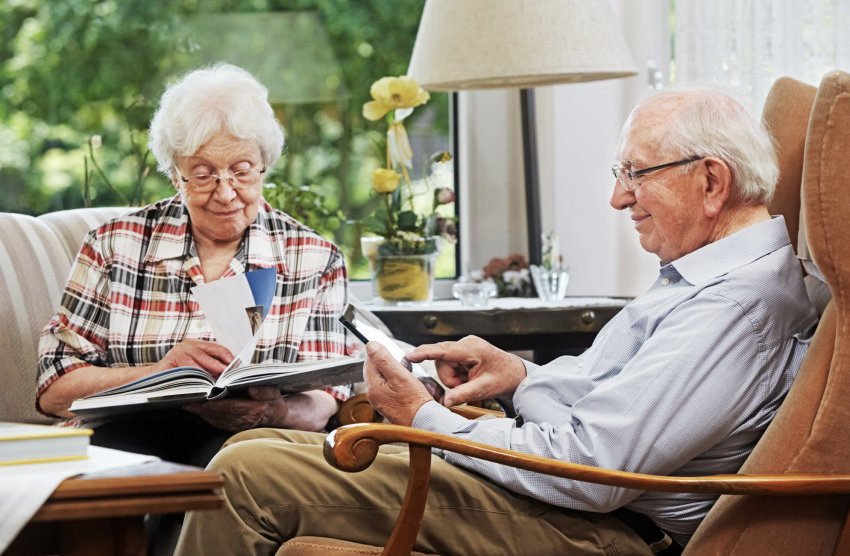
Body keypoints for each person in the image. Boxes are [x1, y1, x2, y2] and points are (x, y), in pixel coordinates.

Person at [174, 85, 817, 556]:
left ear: (711, 182)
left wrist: (426, 419)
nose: (618, 196)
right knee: (246, 447)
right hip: (570, 499)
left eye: (635, 173)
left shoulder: (736, 305)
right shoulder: (706, 276)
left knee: (242, 475)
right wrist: (518, 378)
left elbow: (593, 466)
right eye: (619, 172)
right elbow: (609, 404)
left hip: (599, 527)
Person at [36, 63, 352, 468]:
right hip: (122, 443)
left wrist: (273, 412)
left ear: (264, 167)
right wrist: (159, 372)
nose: (225, 193)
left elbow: (328, 401)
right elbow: (54, 389)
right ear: (174, 175)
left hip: (249, 449)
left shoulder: (313, 256)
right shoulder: (115, 244)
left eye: (241, 171)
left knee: (239, 465)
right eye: (202, 175)